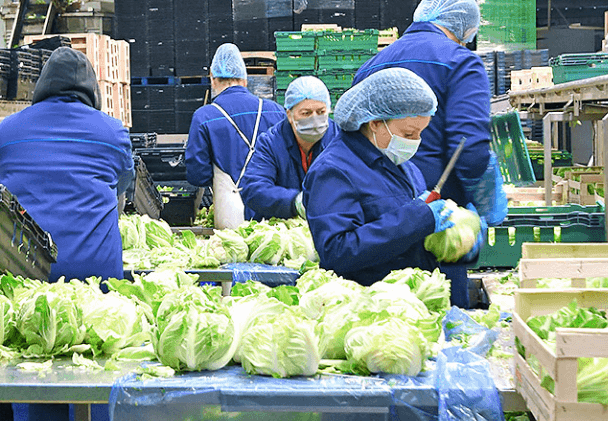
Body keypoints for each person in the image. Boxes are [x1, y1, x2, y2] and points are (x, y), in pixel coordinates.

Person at [0, 47, 129, 421]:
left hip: (32, 274)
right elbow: (122, 187)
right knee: (103, 374)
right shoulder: (113, 133)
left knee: (41, 371)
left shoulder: (6, 132)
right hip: (96, 277)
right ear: (91, 91)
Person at [350, 0, 506, 308]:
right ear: (465, 26)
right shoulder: (461, 62)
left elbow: (353, 146)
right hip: (438, 225)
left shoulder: (370, 67)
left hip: (377, 224)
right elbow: (470, 150)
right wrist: (485, 206)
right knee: (438, 324)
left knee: (384, 322)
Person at [306, 68, 483, 289]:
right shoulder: (333, 171)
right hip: (369, 307)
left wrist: (456, 236)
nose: (415, 141)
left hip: (410, 301)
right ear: (375, 123)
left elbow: (408, 239)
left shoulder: (403, 165)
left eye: (421, 133)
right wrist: (418, 219)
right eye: (408, 134)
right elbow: (337, 251)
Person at [186, 43, 287, 227]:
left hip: (231, 216)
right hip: (274, 215)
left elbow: (197, 175)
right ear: (245, 79)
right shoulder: (276, 112)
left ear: (212, 78)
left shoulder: (204, 117)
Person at [239, 76, 337, 219]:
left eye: (321, 112)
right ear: (289, 115)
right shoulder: (271, 143)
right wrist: (294, 202)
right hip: (280, 229)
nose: (315, 119)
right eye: (306, 113)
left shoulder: (337, 139)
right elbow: (253, 188)